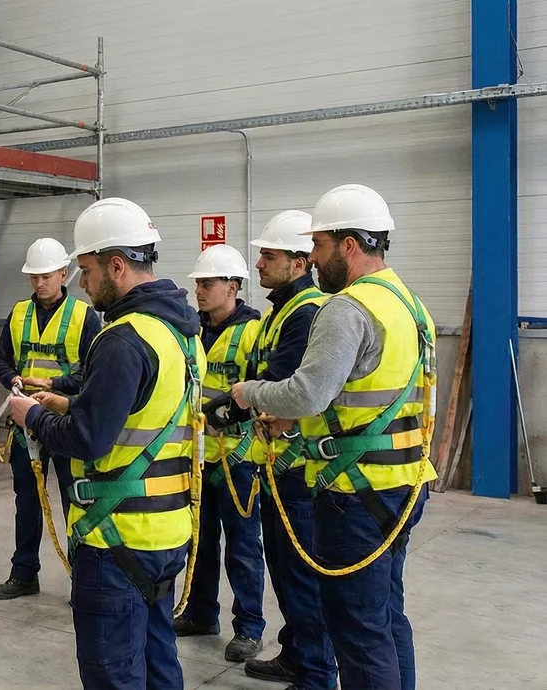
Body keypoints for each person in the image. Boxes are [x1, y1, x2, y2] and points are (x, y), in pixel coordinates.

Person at [235, 185, 435, 690]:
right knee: (387, 617)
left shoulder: (347, 308)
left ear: (349, 245)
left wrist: (249, 393)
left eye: (319, 247)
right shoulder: (411, 306)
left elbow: (307, 395)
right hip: (404, 483)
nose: (315, 260)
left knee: (359, 630)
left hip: (355, 494)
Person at [6, 198, 203, 689]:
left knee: (113, 674)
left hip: (117, 538)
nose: (83, 282)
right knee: (159, 664)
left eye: (88, 270)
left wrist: (32, 416)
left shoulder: (122, 338)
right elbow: (144, 413)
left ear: (117, 265)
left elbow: (89, 442)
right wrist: (69, 404)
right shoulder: (181, 336)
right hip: (166, 532)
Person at [236, 210, 337, 690]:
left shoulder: (308, 313)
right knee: (284, 570)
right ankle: (296, 653)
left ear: (299, 263)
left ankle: (315, 672)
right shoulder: (282, 310)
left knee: (299, 575)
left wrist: (237, 399)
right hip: (276, 464)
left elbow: (283, 386)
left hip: (296, 469)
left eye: (269, 256)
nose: (259, 263)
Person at [0, 237, 101, 601]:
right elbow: (1, 361)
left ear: (63, 274)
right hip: (26, 425)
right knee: (27, 500)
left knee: (75, 500)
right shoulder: (19, 314)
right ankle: (23, 574)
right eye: (34, 276)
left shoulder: (85, 317)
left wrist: (53, 383)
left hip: (66, 420)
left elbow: (91, 373)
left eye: (46, 276)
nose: (39, 283)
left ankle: (81, 579)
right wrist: (14, 380)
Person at [173, 244, 265, 663]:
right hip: (199, 458)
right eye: (197, 284)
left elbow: (261, 395)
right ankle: (200, 612)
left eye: (208, 284)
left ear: (233, 286)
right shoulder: (192, 332)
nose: (200, 291)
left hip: (239, 460)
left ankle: (248, 628)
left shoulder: (253, 332)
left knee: (243, 548)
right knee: (200, 542)